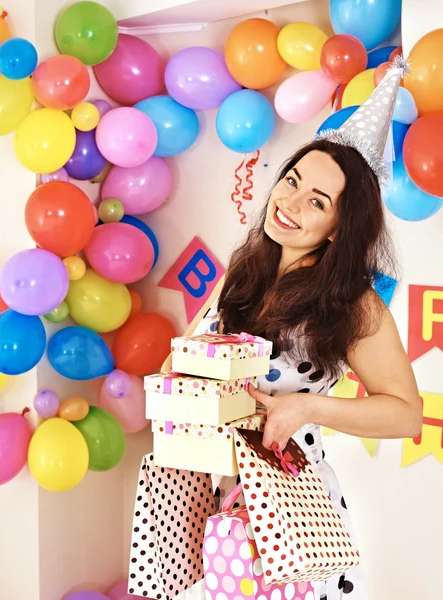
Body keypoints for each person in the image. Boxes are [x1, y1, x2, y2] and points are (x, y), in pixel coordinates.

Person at [160, 59, 421, 599]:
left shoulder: (353, 304)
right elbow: (185, 356)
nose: (290, 203)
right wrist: (178, 380)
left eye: (317, 203)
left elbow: (405, 413)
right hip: (213, 501)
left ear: (337, 231)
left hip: (288, 512)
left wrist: (305, 407)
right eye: (293, 181)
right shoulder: (243, 269)